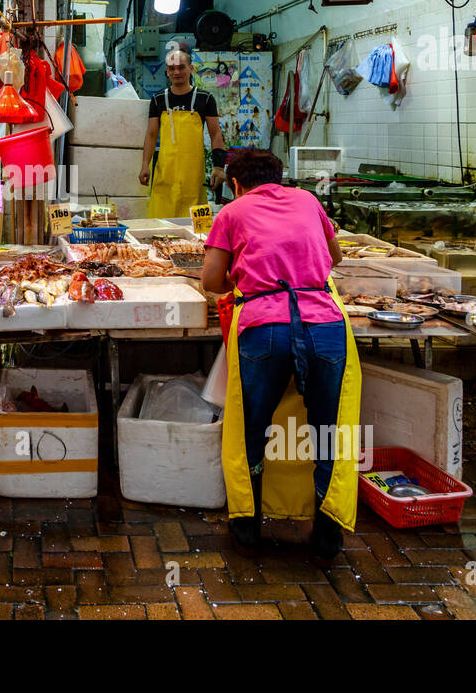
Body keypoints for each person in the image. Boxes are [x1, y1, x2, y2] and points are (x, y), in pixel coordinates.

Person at [201, 149, 360, 559]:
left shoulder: (231, 214)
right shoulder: (308, 200)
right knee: (327, 430)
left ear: (236, 184)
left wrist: (248, 275)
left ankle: (248, 526)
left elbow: (211, 281)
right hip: (324, 325)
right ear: (280, 177)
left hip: (264, 329)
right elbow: (334, 259)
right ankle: (327, 533)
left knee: (253, 429)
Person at [139, 50, 226, 218]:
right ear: (167, 71)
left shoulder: (205, 98)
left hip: (193, 178)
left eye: (181, 67)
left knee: (197, 232)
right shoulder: (158, 100)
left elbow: (216, 134)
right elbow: (151, 135)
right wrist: (145, 165)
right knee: (159, 228)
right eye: (171, 68)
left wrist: (218, 166)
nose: (176, 72)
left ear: (191, 68)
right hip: (165, 174)